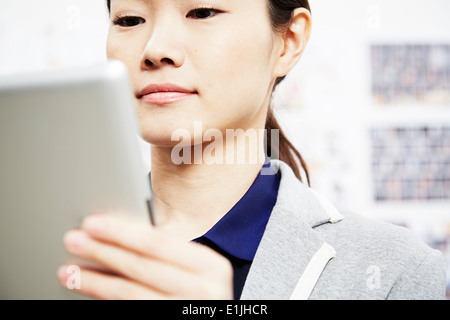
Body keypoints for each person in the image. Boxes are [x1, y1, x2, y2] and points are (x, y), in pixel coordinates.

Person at [57, 0, 447, 300]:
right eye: (129, 20)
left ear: (288, 42)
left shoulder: (397, 270)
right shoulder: (52, 250)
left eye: (202, 11)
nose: (155, 49)